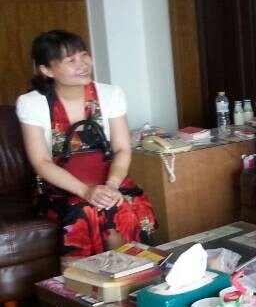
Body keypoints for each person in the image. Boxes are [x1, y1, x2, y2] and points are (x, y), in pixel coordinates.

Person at [16, 30, 156, 264]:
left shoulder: (110, 94)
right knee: (84, 210)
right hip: (61, 190)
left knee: (117, 205)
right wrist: (85, 191)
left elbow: (122, 149)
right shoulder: (32, 103)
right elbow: (41, 162)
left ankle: (131, 276)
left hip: (110, 182)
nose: (82, 64)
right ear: (47, 70)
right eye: (71, 60)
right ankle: (81, 283)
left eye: (83, 55)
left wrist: (111, 185)